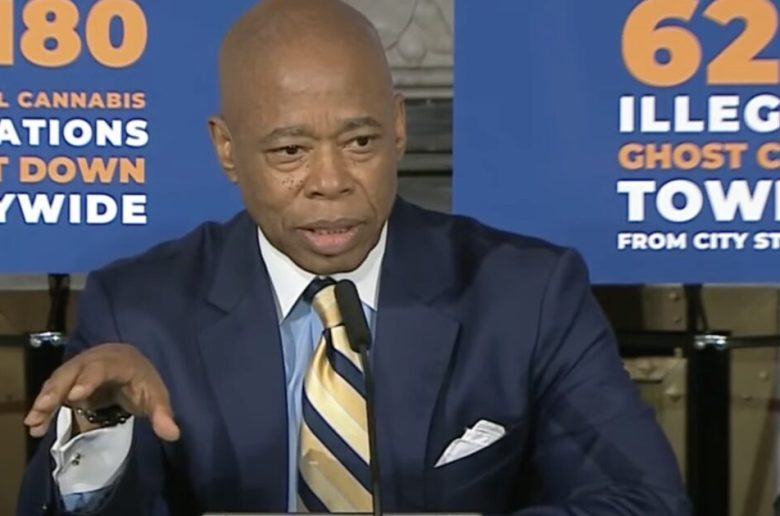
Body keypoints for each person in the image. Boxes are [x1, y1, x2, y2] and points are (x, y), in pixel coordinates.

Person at [17, 0, 690, 514]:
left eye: (361, 142)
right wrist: (102, 426)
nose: (332, 181)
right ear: (227, 149)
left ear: (398, 128)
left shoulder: (527, 294)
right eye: (290, 151)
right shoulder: (140, 311)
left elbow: (644, 499)